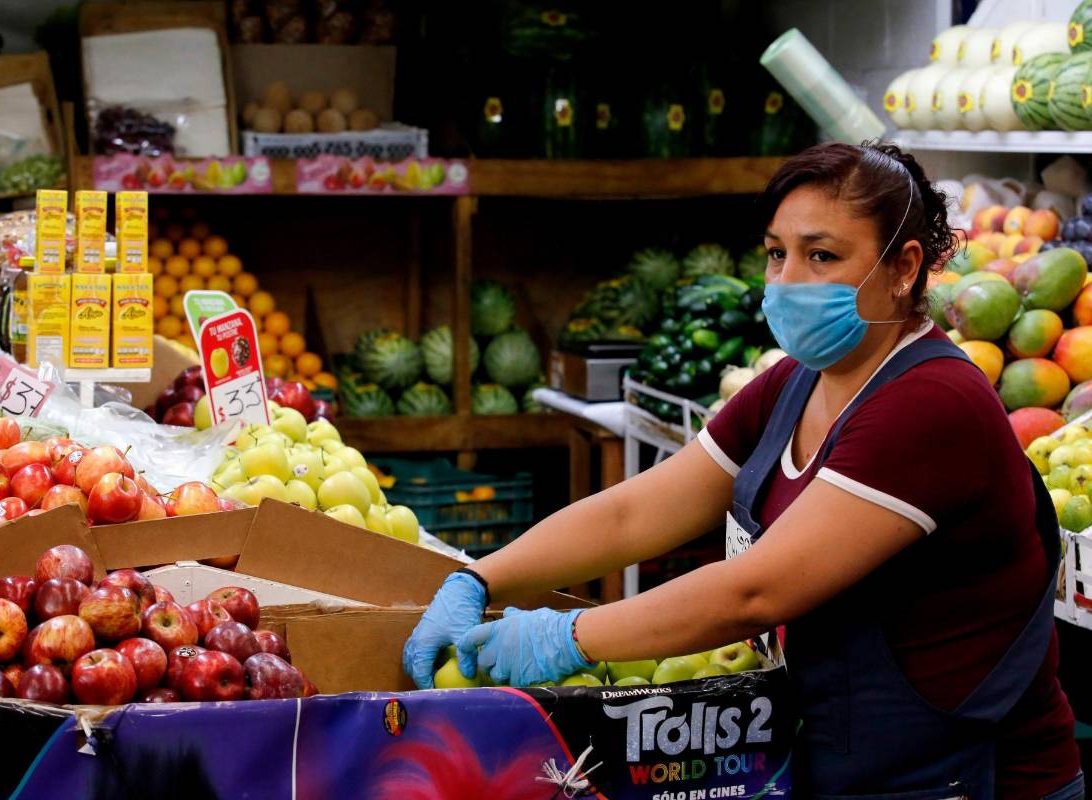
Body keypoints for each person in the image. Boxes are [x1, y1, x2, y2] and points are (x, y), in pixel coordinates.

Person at [403, 142, 1083, 798]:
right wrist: (479, 576)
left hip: (970, 779)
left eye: (822, 256)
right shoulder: (797, 383)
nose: (787, 281)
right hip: (852, 764)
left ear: (905, 267)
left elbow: (754, 593)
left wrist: (563, 638)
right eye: (775, 254)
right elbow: (635, 512)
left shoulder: (930, 404)